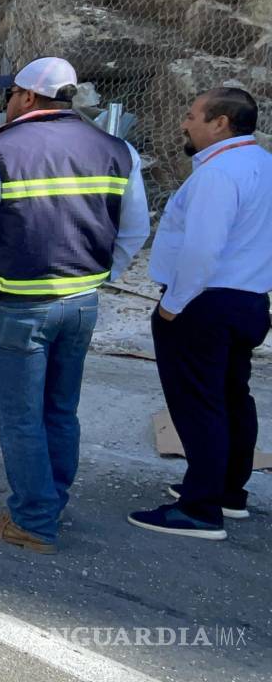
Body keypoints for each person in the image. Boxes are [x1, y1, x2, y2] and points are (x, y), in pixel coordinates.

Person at [0, 57, 150, 554]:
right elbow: (136, 229)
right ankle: (50, 503)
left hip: (15, 307)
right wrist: (104, 276)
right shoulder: (118, 150)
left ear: (27, 97)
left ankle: (34, 522)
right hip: (80, 304)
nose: (8, 103)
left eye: (10, 94)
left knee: (21, 418)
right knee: (60, 410)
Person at [129, 88, 272, 540]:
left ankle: (199, 509)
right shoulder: (263, 164)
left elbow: (202, 250)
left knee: (198, 404)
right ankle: (226, 491)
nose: (184, 123)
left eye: (192, 115)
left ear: (221, 122)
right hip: (248, 300)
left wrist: (173, 305)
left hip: (203, 303)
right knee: (231, 397)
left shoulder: (219, 173)